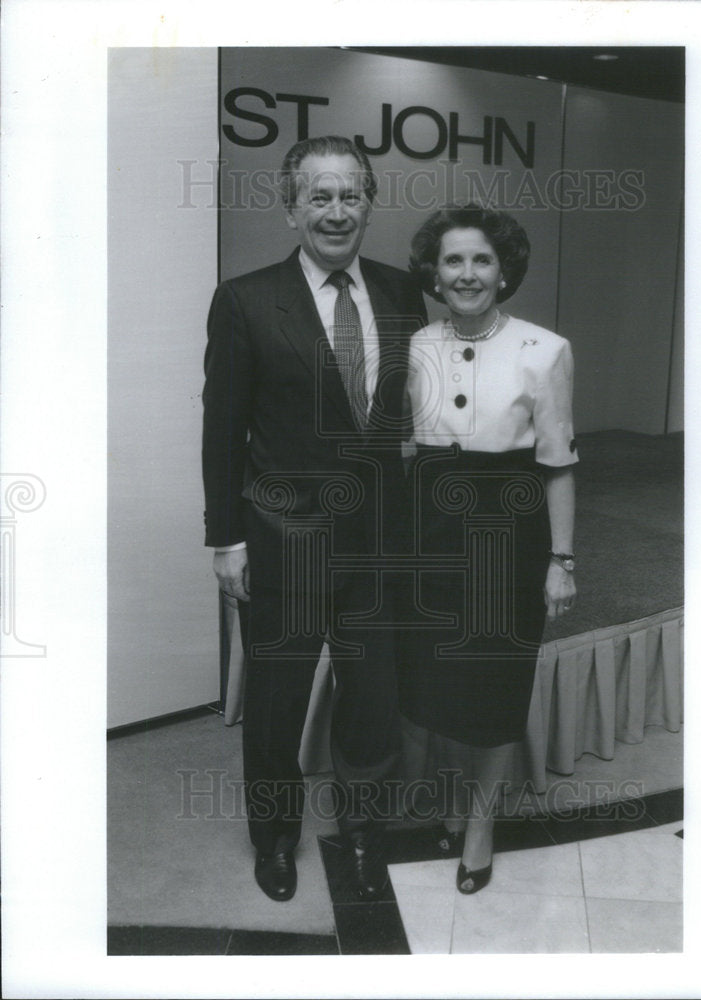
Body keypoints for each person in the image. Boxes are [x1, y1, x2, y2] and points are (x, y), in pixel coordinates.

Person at [202, 136, 427, 902]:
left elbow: (401, 420)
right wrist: (225, 538)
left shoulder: (401, 293)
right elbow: (221, 428)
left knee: (371, 695)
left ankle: (362, 829)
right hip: (279, 539)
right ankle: (274, 839)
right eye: (319, 196)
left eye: (350, 195)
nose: (337, 211)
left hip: (378, 544)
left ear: (370, 202)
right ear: (290, 206)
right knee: (275, 702)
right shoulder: (243, 299)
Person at [399, 204, 577, 894]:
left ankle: (480, 824)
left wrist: (561, 561)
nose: (467, 273)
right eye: (453, 260)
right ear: (434, 273)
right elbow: (405, 448)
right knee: (435, 678)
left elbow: (559, 462)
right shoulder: (414, 346)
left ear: (504, 272)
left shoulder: (546, 349)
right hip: (430, 526)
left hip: (511, 523)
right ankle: (446, 802)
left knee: (497, 686)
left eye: (481, 260)